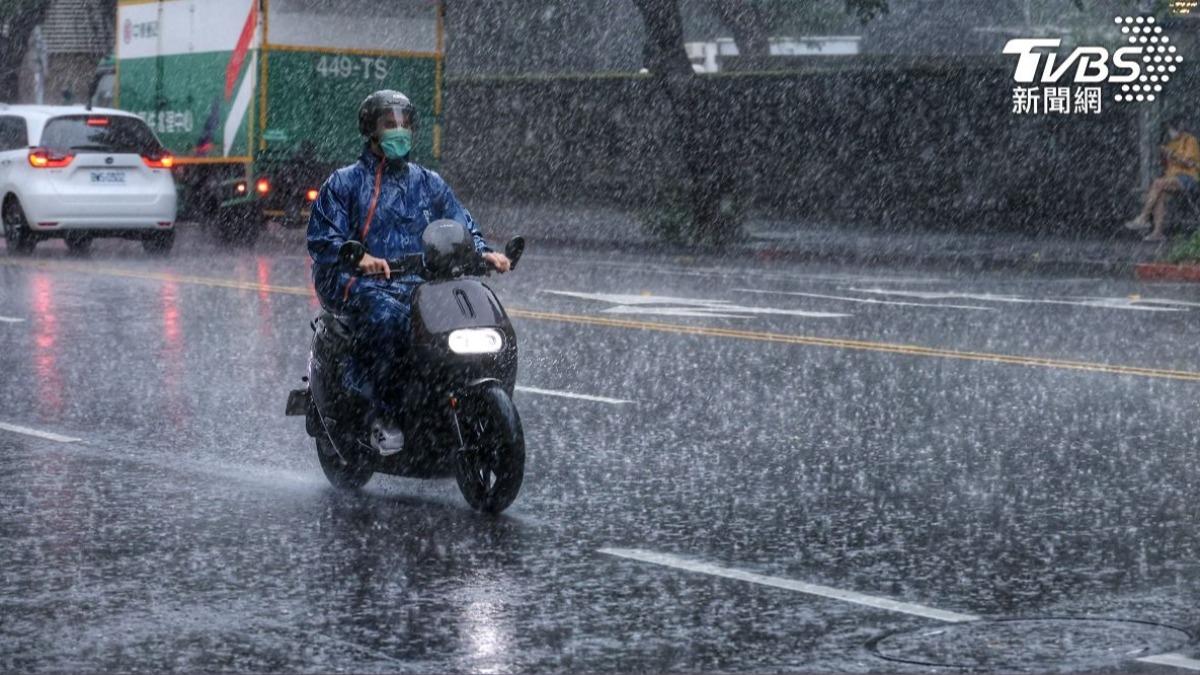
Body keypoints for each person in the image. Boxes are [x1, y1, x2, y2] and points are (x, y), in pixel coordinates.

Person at [307, 90, 510, 449]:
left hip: (419, 282)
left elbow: (459, 221)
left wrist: (483, 252)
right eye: (390, 124)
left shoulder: (428, 182)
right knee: (387, 319)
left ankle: (450, 401)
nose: (399, 131)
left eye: (405, 124)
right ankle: (378, 415)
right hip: (357, 281)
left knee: (467, 318)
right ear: (371, 130)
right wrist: (356, 257)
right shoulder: (344, 183)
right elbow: (324, 237)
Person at [1124, 115, 1200, 242]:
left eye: (1171, 129)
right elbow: (1168, 167)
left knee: (1158, 183)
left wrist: (1172, 155)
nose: (1171, 133)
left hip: (1189, 178)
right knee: (1160, 194)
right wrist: (1164, 156)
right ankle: (1157, 232)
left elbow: (1189, 163)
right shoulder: (1170, 144)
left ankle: (1144, 217)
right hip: (1172, 178)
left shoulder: (1190, 140)